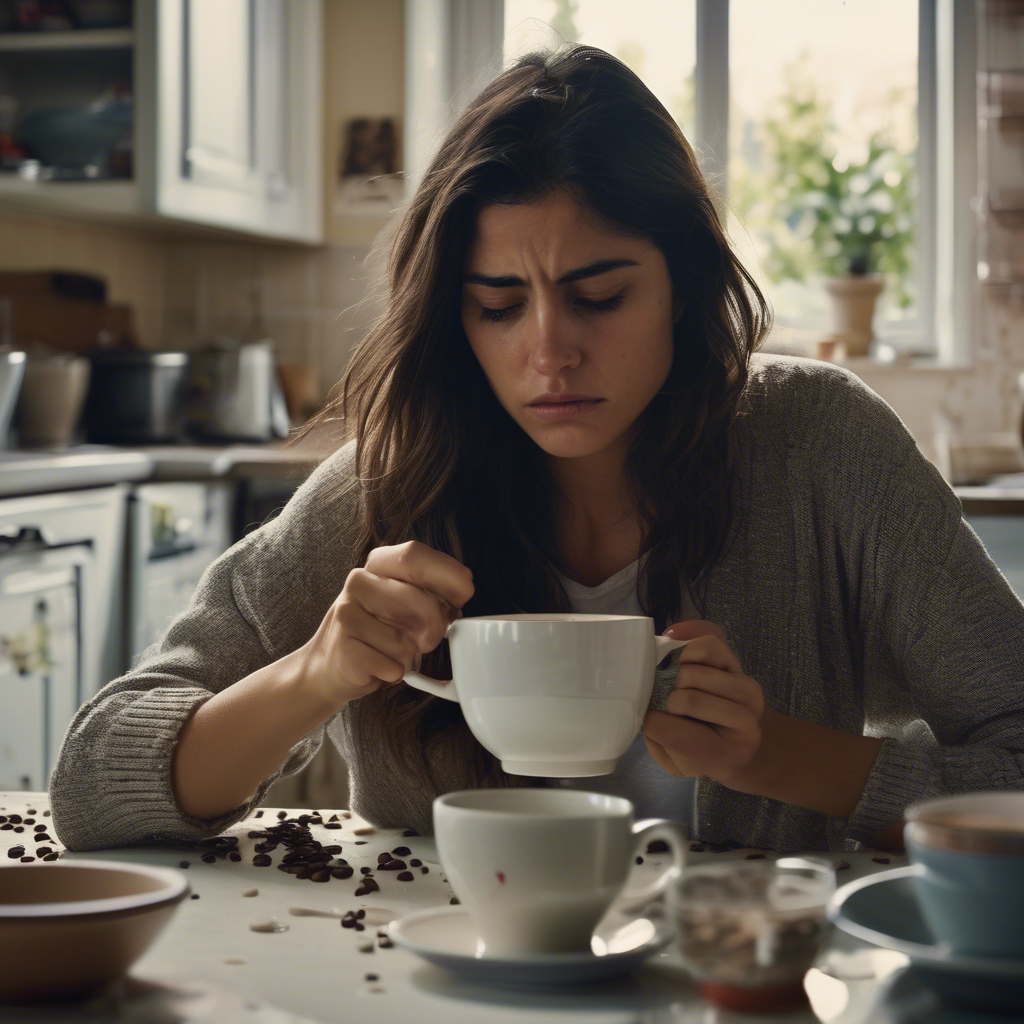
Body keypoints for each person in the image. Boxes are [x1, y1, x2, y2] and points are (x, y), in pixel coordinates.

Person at [50, 45, 1024, 855]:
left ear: (682, 285)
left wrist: (770, 753)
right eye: (498, 305)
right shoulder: (385, 488)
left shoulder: (821, 445)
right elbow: (91, 785)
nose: (548, 352)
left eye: (599, 295)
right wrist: (315, 674)